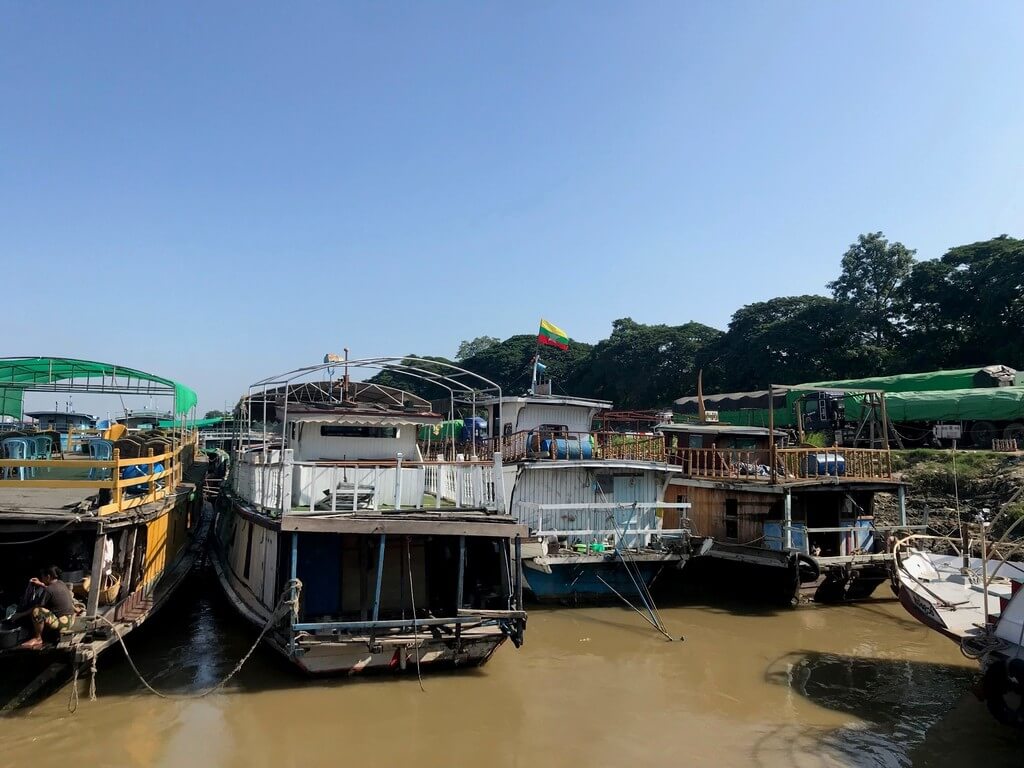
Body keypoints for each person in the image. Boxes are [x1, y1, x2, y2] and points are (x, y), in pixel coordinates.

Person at [11, 566, 75, 649]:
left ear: (48, 577)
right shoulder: (61, 583)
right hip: (71, 620)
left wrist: (19, 615)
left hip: (63, 624)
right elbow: (51, 590)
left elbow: (36, 608)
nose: (41, 579)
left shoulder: (48, 590)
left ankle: (38, 638)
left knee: (37, 611)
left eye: (42, 577)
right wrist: (41, 584)